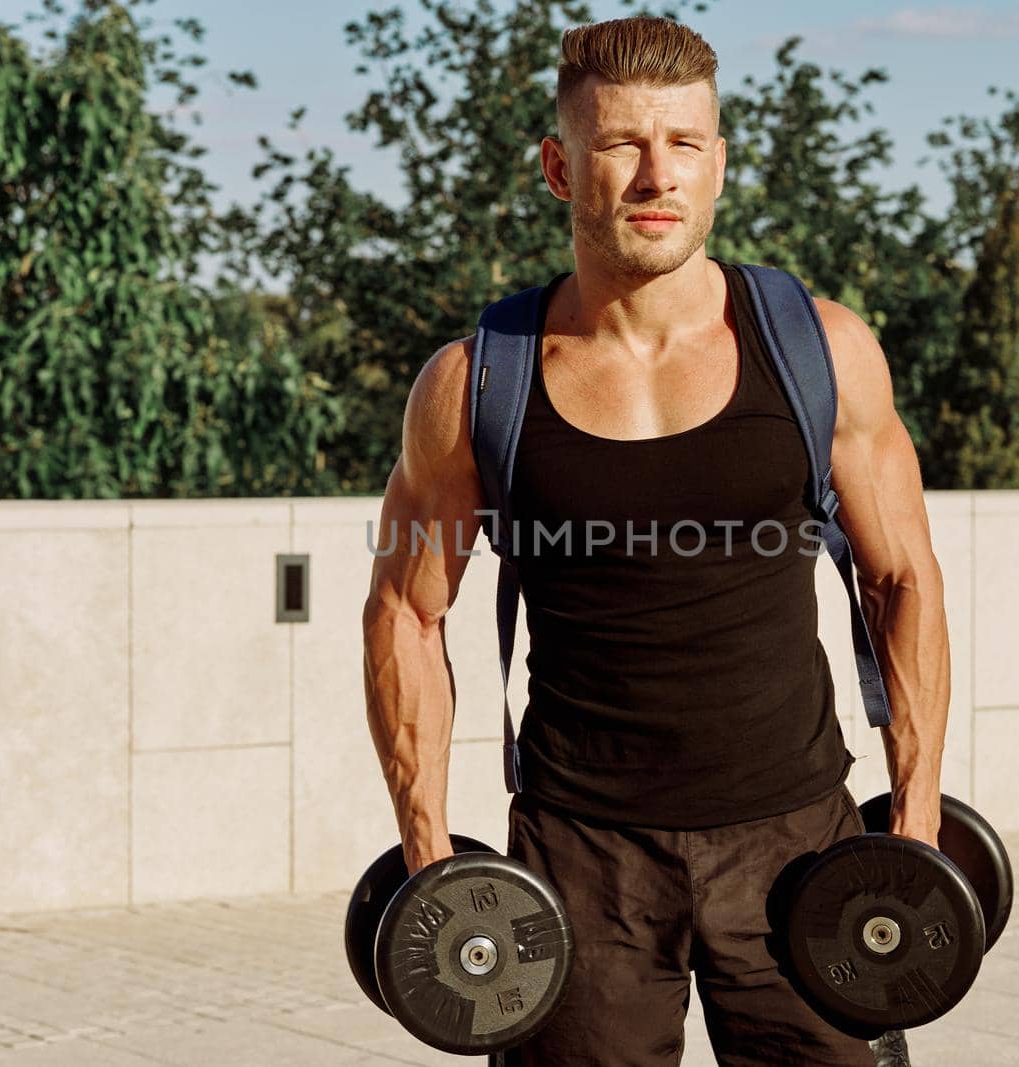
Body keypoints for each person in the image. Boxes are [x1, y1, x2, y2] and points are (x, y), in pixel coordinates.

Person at [362, 14, 949, 1066]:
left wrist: (910, 819)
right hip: (580, 862)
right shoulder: (471, 382)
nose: (654, 175)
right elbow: (408, 608)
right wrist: (429, 845)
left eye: (683, 143)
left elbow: (900, 573)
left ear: (718, 164)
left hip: (798, 843)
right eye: (621, 144)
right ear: (558, 166)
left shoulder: (823, 349)